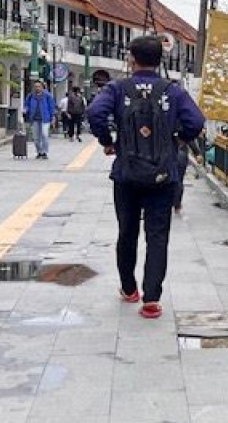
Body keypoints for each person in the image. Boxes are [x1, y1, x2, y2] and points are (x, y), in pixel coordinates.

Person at [87, 36, 205, 319]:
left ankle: (129, 289)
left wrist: (108, 141)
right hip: (163, 176)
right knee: (158, 236)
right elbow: (196, 121)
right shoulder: (172, 91)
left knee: (126, 231)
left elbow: (95, 113)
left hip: (126, 174)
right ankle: (152, 299)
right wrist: (178, 140)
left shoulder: (118, 88)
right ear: (160, 59)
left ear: (131, 58)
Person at [24, 80, 56, 159]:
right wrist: (26, 110)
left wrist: (53, 117)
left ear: (42, 87)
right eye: (35, 86)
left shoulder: (47, 96)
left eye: (39, 86)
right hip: (34, 119)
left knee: (45, 135)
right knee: (36, 138)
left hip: (45, 119)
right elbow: (26, 104)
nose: (37, 88)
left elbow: (51, 107)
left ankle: (44, 152)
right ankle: (39, 152)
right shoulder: (31, 96)